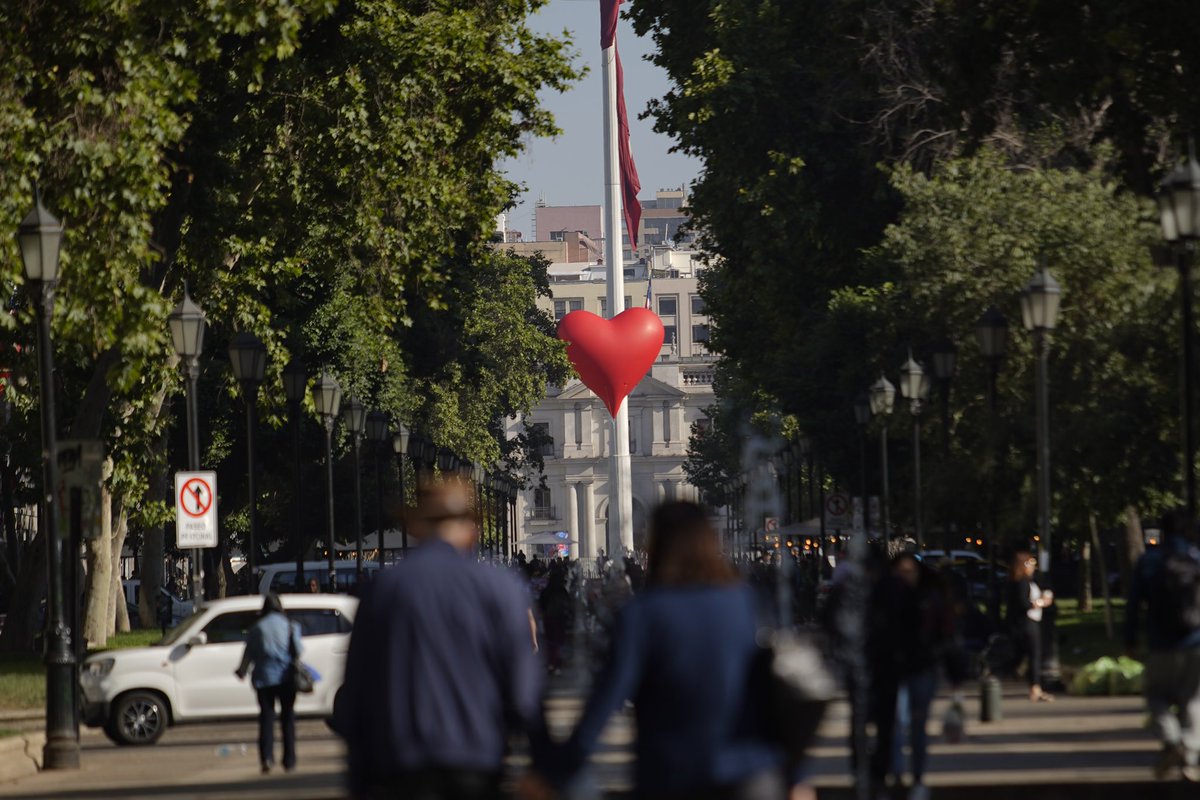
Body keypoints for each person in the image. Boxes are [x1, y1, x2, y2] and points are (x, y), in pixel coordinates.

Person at [527, 501, 809, 799]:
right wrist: (799, 774)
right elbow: (774, 690)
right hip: (750, 773)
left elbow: (608, 697)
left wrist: (557, 769)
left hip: (671, 774)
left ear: (657, 544)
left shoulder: (643, 613)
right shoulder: (748, 604)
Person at [338, 477, 547, 799]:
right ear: (471, 527)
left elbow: (358, 693)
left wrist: (359, 780)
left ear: (415, 526)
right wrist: (541, 768)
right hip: (478, 760)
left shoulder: (385, 589)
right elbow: (523, 694)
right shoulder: (500, 587)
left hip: (403, 764)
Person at [880, 553, 965, 800]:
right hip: (896, 670)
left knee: (918, 727)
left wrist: (954, 673)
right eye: (900, 572)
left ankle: (917, 776)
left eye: (910, 571)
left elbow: (946, 635)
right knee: (897, 724)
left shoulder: (930, 600)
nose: (905, 577)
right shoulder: (887, 600)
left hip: (922, 669)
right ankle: (896, 775)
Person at [1126, 509, 1200, 782]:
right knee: (1193, 700)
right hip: (1195, 643)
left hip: (1160, 643)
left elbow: (1134, 604)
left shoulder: (1150, 562)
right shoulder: (1195, 559)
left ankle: (1171, 740)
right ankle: (1189, 755)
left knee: (1155, 696)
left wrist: (1129, 639)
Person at [235, 593, 303, 774]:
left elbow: (248, 653)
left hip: (264, 679)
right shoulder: (291, 626)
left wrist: (242, 671)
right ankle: (289, 760)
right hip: (287, 678)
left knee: (266, 718)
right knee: (288, 719)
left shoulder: (257, 628)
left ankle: (267, 758)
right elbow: (299, 651)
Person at [1006, 550, 1054, 702]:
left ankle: (1032, 683)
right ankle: (1035, 686)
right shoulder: (1022, 582)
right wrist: (1041, 602)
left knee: (1028, 654)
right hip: (1027, 621)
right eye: (1031, 563)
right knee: (1034, 653)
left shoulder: (1025, 581)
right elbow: (1023, 603)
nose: (1033, 567)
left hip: (1027, 621)